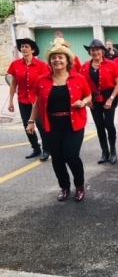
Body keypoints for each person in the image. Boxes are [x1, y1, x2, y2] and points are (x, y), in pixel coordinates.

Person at [25, 43, 91, 202]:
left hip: (73, 123)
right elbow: (38, 102)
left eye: (60, 57)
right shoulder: (42, 80)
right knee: (57, 158)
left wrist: (83, 102)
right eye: (53, 58)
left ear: (67, 60)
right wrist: (31, 121)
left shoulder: (78, 78)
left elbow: (88, 96)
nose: (57, 60)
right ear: (50, 61)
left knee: (71, 156)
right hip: (51, 124)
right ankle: (64, 187)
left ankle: (79, 186)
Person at [7, 38, 51, 161]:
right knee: (27, 124)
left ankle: (46, 149)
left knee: (40, 124)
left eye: (26, 46)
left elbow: (47, 83)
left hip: (38, 100)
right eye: (22, 47)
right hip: (23, 99)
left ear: (32, 49)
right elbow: (13, 84)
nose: (24, 49)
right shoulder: (15, 64)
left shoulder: (41, 65)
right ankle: (35, 148)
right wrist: (11, 101)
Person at [80, 39, 118, 165]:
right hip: (93, 99)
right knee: (99, 126)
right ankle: (105, 152)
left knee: (109, 124)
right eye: (92, 50)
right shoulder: (85, 66)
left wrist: (111, 99)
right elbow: (81, 85)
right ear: (89, 52)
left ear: (102, 51)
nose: (95, 52)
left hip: (109, 96)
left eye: (98, 49)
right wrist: (86, 100)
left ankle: (113, 151)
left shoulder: (111, 64)